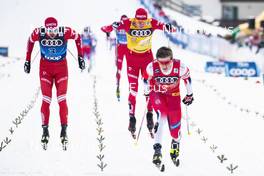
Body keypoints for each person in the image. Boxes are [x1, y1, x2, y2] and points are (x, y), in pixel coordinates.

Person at [111, 8, 174, 138]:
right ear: (135, 18)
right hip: (132, 60)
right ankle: (132, 119)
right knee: (133, 90)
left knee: (149, 88)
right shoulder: (128, 22)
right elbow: (106, 28)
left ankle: (149, 115)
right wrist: (113, 26)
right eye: (138, 21)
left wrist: (168, 27)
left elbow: (164, 26)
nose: (140, 24)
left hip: (147, 60)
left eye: (143, 21)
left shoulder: (151, 22)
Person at [24, 17, 85, 149]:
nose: (52, 33)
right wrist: (27, 60)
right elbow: (30, 40)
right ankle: (45, 130)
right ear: (45, 28)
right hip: (45, 69)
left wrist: (80, 57)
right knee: (46, 99)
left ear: (58, 27)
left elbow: (78, 37)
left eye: (54, 30)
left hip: (61, 69)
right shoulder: (39, 33)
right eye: (49, 30)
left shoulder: (64, 31)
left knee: (61, 99)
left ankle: (64, 130)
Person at [144, 47, 193, 166]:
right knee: (161, 117)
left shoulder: (180, 67)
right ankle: (157, 149)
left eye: (167, 62)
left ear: (172, 59)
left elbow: (187, 79)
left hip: (173, 96)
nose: (164, 66)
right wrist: (146, 91)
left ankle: (176, 142)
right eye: (161, 62)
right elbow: (146, 79)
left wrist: (189, 95)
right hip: (158, 94)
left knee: (175, 129)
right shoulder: (151, 67)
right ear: (157, 60)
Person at [101, 15, 128, 101]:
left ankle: (131, 87)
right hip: (120, 48)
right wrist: (111, 27)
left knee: (130, 68)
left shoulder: (131, 24)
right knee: (119, 68)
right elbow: (103, 28)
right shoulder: (118, 25)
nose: (124, 24)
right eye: (123, 22)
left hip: (129, 48)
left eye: (126, 21)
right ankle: (118, 85)